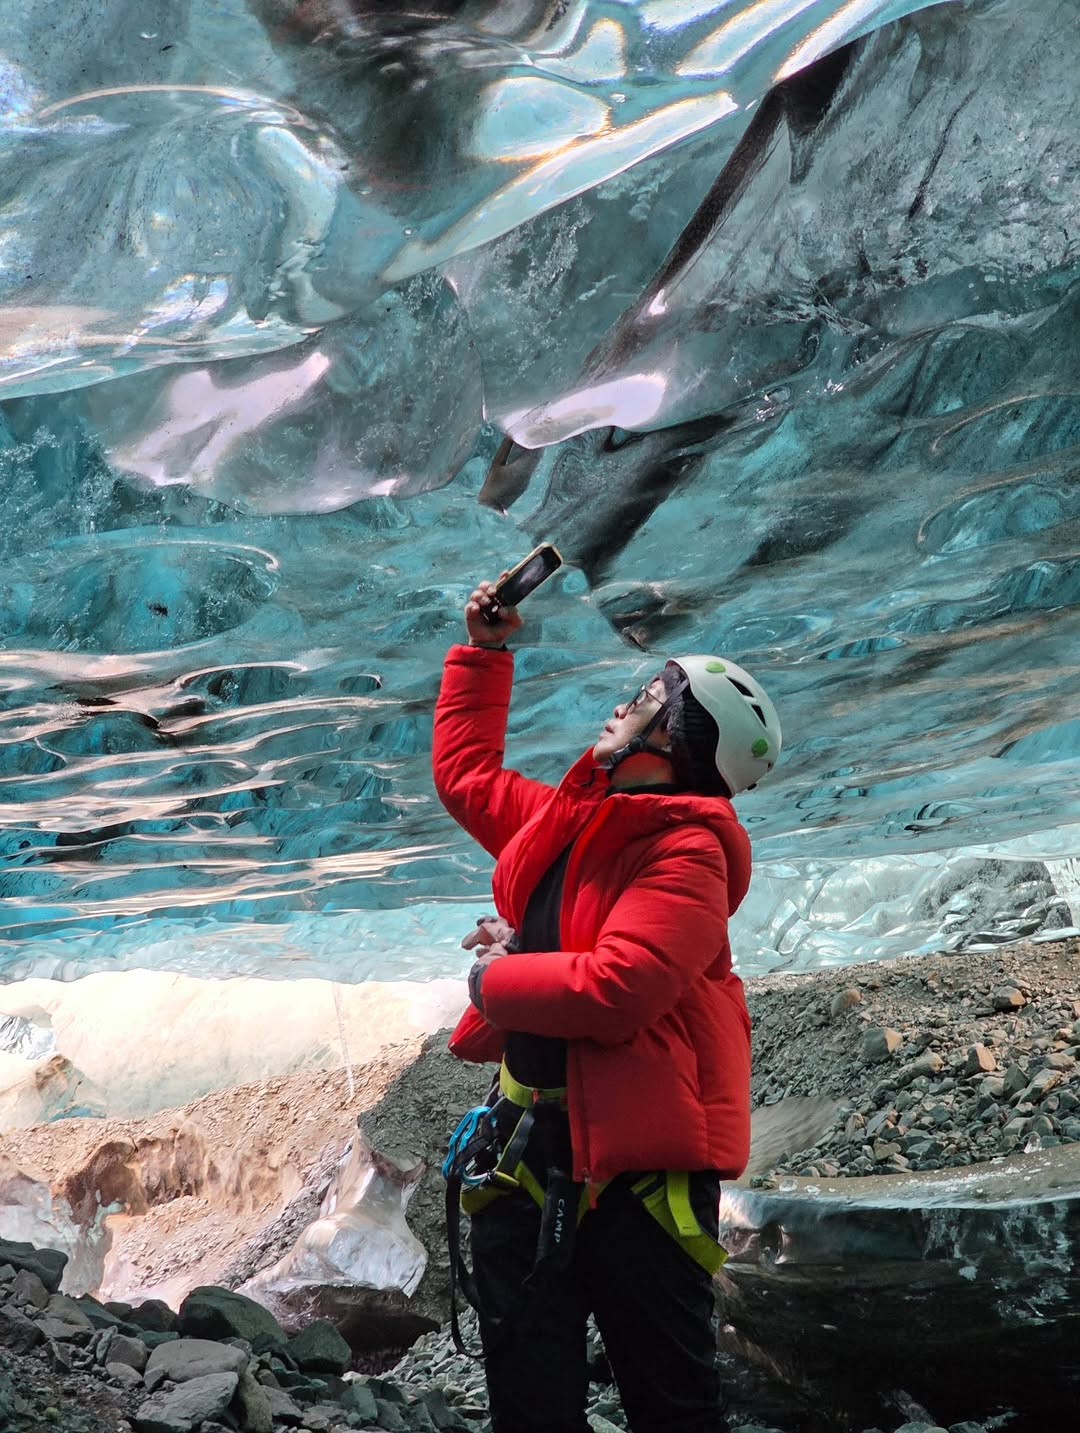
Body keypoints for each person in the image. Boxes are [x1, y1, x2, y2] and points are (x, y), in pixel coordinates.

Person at [433, 576, 782, 1433]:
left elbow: (617, 989)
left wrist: (491, 979)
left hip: (635, 1188)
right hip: (526, 1158)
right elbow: (467, 777)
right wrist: (484, 652)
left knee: (672, 1409)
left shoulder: (691, 855)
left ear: (679, 737)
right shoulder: (571, 816)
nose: (621, 705)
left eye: (645, 698)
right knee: (530, 1408)